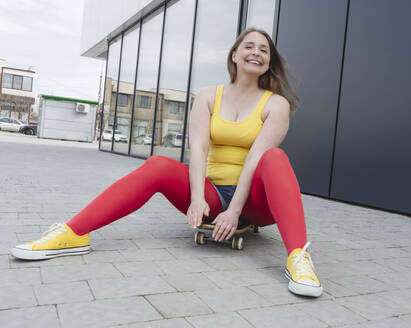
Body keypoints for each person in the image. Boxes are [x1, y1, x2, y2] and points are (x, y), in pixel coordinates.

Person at [10, 28, 323, 297]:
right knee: (159, 164)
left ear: (270, 60)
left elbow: (255, 158)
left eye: (264, 49)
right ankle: (73, 233)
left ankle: (298, 258)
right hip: (211, 192)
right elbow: (197, 149)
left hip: (255, 201)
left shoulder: (277, 104)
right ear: (234, 55)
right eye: (249, 46)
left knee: (274, 157)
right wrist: (198, 200)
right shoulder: (207, 95)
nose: (256, 52)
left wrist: (235, 211)